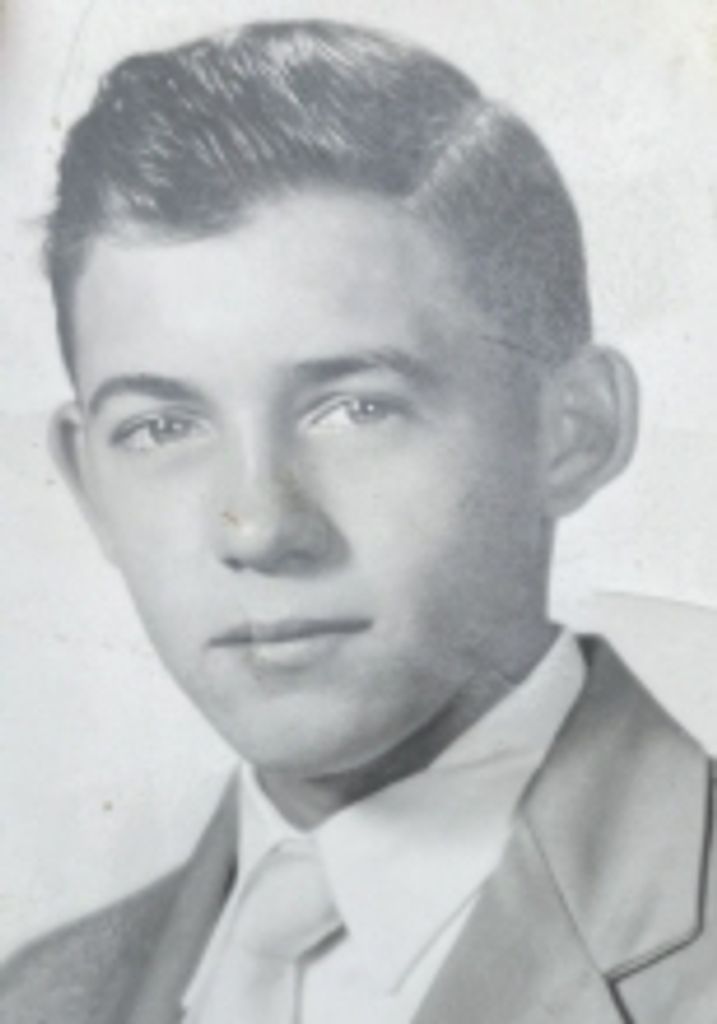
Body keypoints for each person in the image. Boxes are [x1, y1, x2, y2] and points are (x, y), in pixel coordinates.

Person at [1, 18, 715, 1024]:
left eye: (355, 408)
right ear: (88, 486)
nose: (258, 527)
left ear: (573, 430)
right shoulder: (41, 997)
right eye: (161, 427)